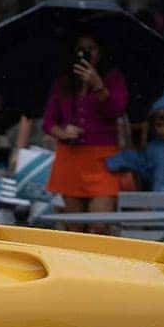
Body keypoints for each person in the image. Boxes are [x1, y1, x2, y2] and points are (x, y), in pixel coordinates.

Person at [41, 31, 129, 231]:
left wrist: (98, 85)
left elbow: (116, 110)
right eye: (81, 49)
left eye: (91, 49)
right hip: (70, 159)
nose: (86, 53)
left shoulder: (113, 78)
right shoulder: (63, 82)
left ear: (100, 51)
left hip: (103, 160)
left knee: (100, 225)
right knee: (75, 228)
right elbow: (48, 123)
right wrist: (63, 132)